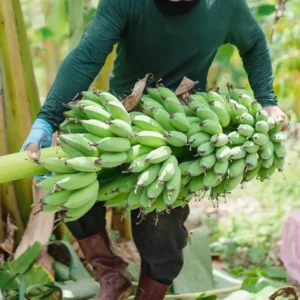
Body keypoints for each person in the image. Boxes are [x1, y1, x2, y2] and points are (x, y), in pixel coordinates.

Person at [21, 0, 289, 299]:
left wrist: (267, 99)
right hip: (119, 119)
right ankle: (110, 273)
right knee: (69, 183)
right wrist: (47, 120)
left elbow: (253, 43)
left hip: (182, 126)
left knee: (160, 228)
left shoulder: (224, 6)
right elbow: (88, 55)